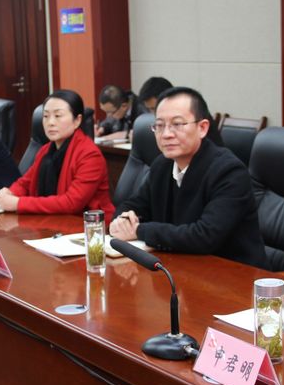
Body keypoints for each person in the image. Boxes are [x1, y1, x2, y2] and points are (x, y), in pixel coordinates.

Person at [110, 86, 266, 268]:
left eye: (177, 124)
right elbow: (133, 204)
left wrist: (139, 230)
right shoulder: (162, 165)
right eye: (159, 125)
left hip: (234, 274)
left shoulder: (229, 171)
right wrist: (122, 220)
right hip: (181, 266)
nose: (166, 134)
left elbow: (205, 236)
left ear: (202, 128)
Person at [0, 89, 115, 216]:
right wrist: (10, 193)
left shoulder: (90, 155)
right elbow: (25, 183)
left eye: (58, 116)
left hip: (88, 223)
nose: (50, 122)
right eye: (46, 116)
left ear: (77, 120)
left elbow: (72, 202)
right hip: (54, 219)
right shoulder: (45, 150)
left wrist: (18, 203)